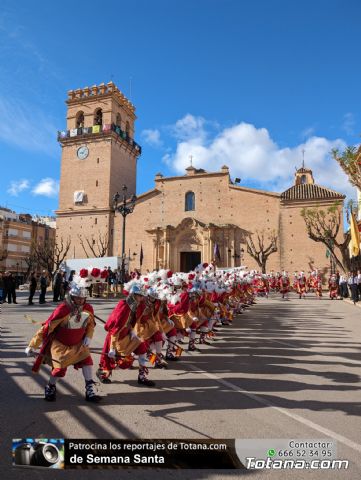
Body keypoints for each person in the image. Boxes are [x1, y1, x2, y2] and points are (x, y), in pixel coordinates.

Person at [25, 275, 100, 403]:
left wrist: (88, 336)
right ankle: (51, 386)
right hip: (60, 344)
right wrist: (32, 345)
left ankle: (89, 389)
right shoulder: (63, 309)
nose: (81, 301)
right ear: (71, 297)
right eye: (78, 298)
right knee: (59, 370)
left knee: (87, 362)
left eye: (83, 298)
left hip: (78, 343)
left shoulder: (88, 309)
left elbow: (90, 324)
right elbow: (46, 328)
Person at [97, 283, 156, 387]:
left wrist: (133, 332)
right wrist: (112, 348)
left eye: (142, 296)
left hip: (127, 334)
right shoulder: (123, 305)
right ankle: (103, 372)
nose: (141, 298)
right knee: (114, 360)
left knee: (142, 348)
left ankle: (141, 376)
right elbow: (115, 328)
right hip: (116, 337)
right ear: (133, 295)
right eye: (139, 295)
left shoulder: (137, 306)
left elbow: (132, 321)